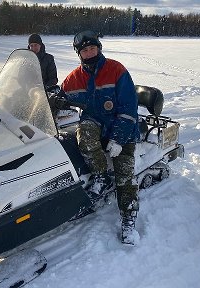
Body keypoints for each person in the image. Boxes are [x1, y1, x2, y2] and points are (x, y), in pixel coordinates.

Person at [54, 31, 140, 245]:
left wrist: (118, 140)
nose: (90, 52)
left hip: (123, 128)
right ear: (79, 54)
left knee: (124, 174)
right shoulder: (75, 77)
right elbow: (60, 94)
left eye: (93, 48)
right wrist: (50, 98)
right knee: (82, 132)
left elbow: (129, 108)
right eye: (85, 50)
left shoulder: (116, 70)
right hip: (97, 125)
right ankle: (101, 176)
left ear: (99, 48)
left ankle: (128, 220)